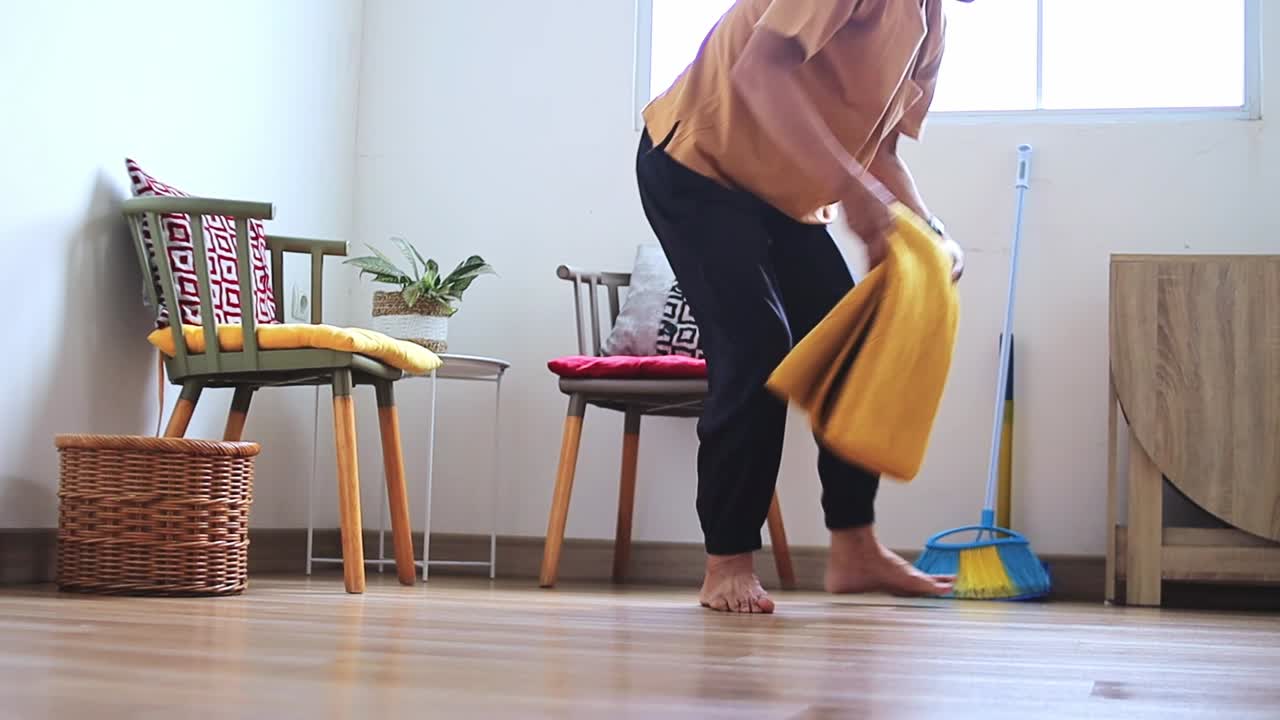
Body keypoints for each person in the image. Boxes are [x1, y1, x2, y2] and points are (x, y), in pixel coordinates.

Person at [635, 0, 969, 614]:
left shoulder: (930, 22)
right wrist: (855, 198)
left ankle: (854, 546)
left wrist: (929, 229)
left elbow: (881, 151)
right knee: (757, 344)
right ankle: (727, 562)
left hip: (781, 191)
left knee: (854, 344)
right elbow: (759, 72)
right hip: (698, 163)